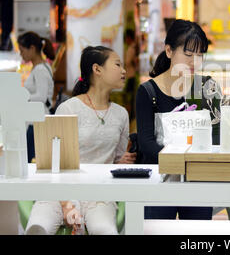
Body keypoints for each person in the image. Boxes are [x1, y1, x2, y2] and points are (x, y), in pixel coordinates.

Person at [25, 46, 136, 235]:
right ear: (97, 69)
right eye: (118, 65)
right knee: (37, 228)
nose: (124, 71)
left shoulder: (121, 114)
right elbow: (53, 164)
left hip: (100, 195)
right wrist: (67, 204)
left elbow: (115, 160)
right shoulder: (69, 109)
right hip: (58, 192)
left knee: (105, 231)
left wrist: (125, 160)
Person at [136, 19, 215, 220]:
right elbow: (146, 143)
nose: (194, 61)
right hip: (160, 180)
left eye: (200, 55)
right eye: (188, 54)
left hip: (197, 180)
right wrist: (180, 162)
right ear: (169, 51)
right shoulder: (148, 91)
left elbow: (215, 135)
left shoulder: (207, 87)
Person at [18, 32, 55, 163]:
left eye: (22, 50)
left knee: (32, 161)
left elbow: (41, 96)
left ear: (32, 48)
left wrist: (21, 97)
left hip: (37, 121)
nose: (21, 54)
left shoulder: (40, 69)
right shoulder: (42, 67)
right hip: (36, 119)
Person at [124, 29, 139, 121]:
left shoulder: (131, 49)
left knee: (129, 97)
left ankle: (129, 116)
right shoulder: (134, 48)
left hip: (130, 75)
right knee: (131, 97)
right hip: (132, 75)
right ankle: (131, 115)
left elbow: (127, 62)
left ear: (128, 38)